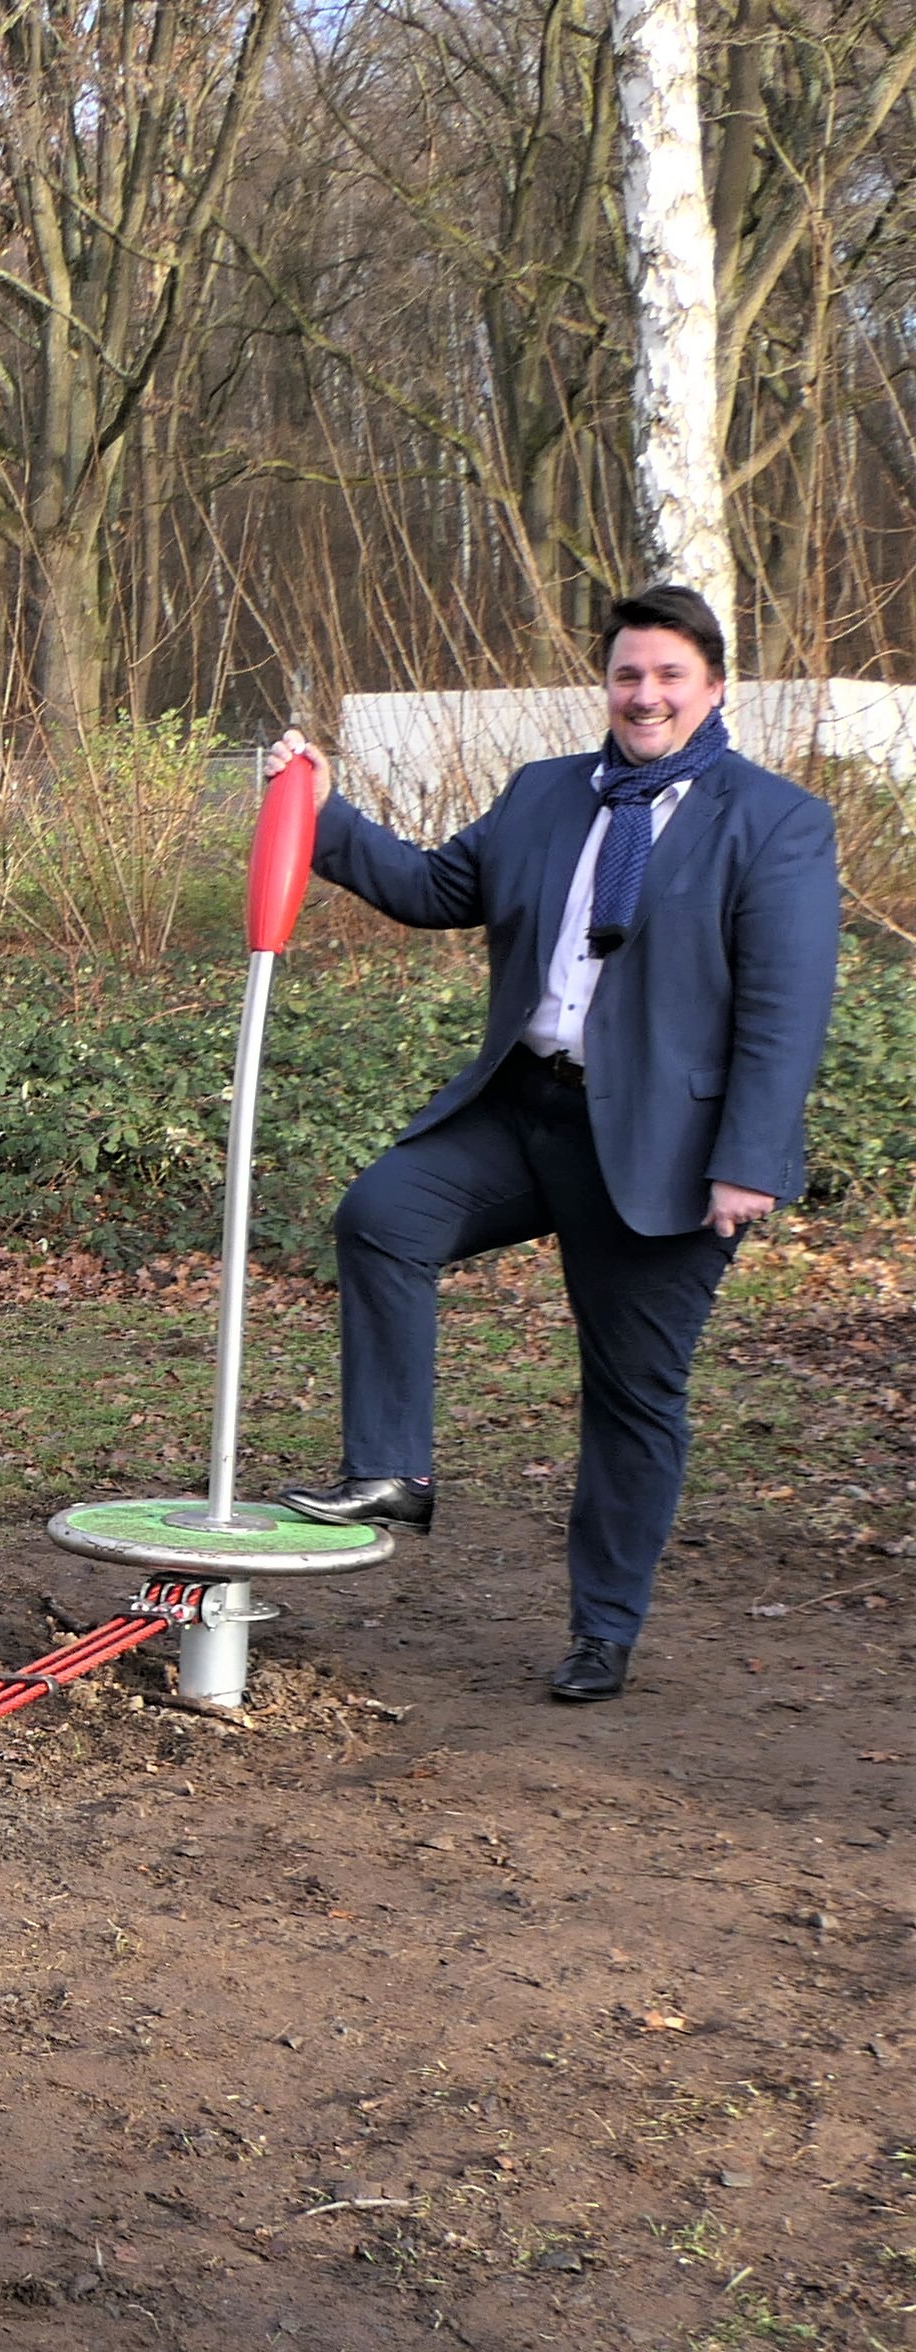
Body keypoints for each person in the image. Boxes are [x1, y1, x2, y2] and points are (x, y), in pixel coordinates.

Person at [263, 585, 840, 1702]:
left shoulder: (772, 821)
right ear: (607, 686)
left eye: (671, 675)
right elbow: (436, 888)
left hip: (669, 1150)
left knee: (630, 1395)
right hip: (524, 1114)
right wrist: (323, 812)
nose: (647, 695)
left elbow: (784, 1006)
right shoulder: (545, 795)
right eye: (630, 674)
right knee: (383, 1217)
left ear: (714, 689)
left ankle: (602, 1631)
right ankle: (390, 1471)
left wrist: (748, 1160)